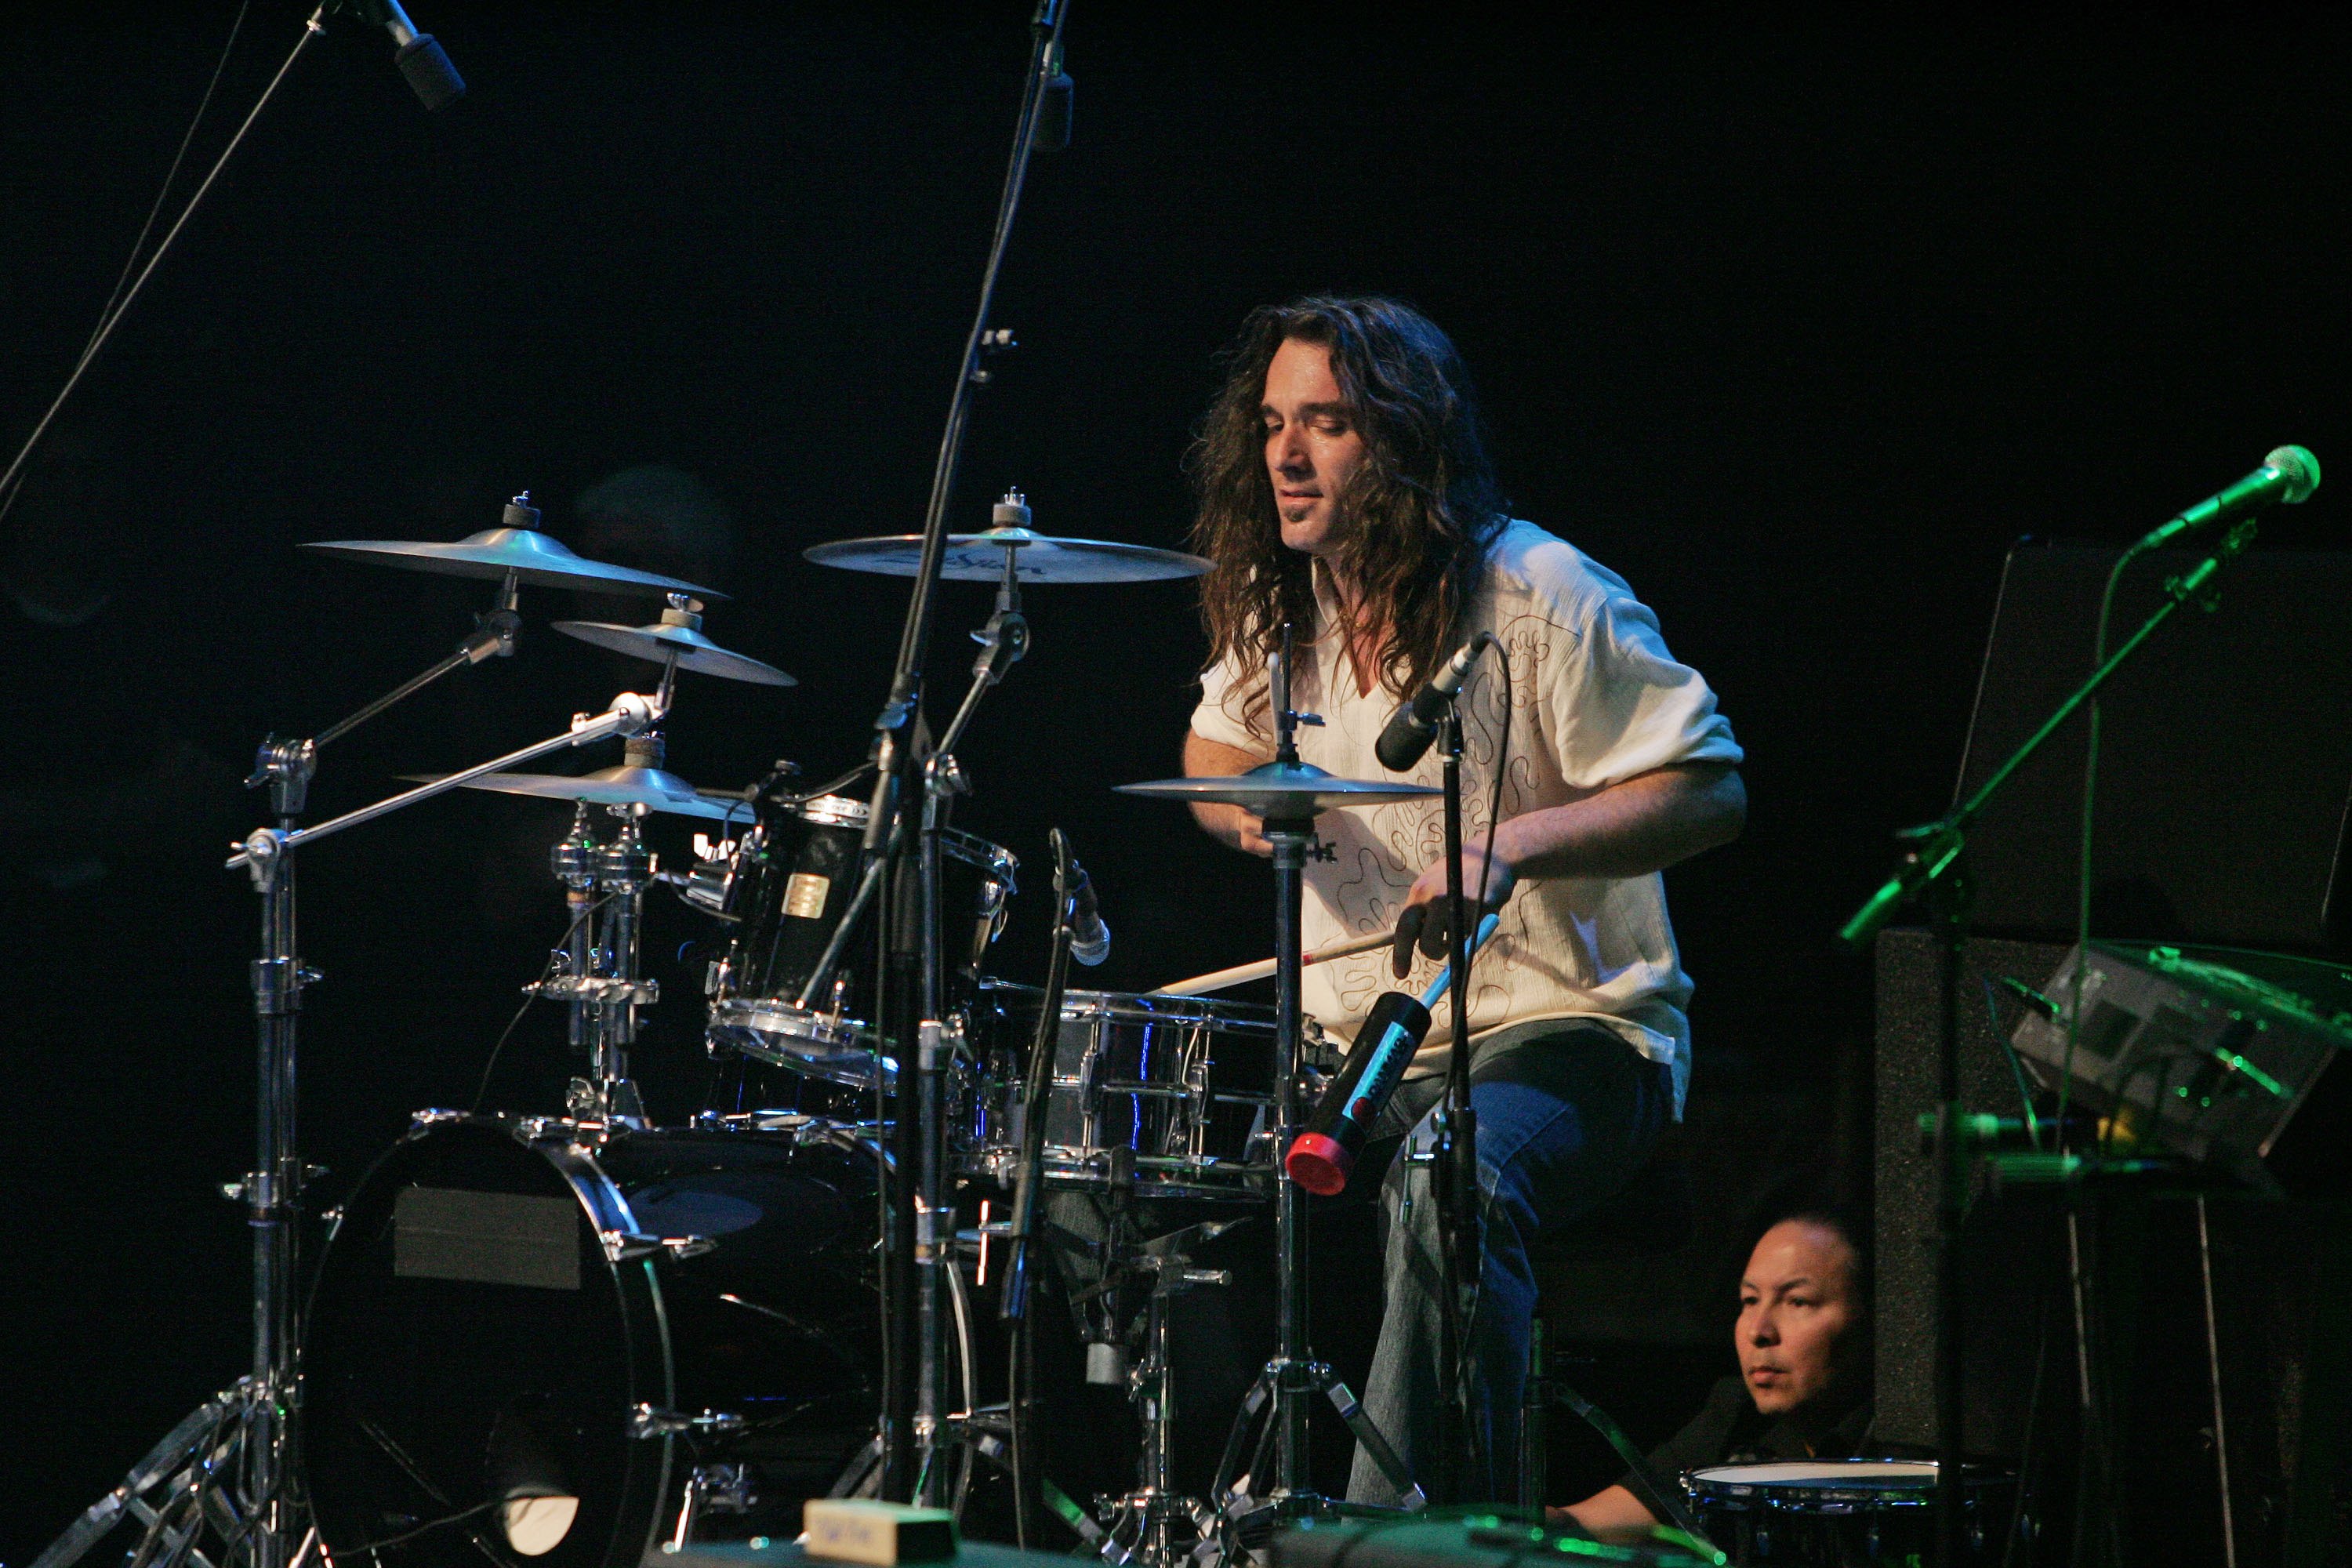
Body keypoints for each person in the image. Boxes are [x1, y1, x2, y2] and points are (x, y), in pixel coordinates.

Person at [1181, 296, 1747, 1503]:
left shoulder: (1542, 590)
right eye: (1273, 423)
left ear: (1402, 442)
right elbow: (1209, 758)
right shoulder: (1286, 608)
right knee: (1123, 1182)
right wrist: (1254, 806)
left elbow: (1711, 789)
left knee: (1452, 1172)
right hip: (1359, 1044)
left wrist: (1513, 844)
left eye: (1325, 423)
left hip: (1574, 1031)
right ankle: (1196, 1517)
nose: (1285, 455)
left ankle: (1404, 1538)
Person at [1561, 1211, 1875, 1532]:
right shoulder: (1739, 1415)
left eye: (1797, 1301)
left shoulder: (1906, 1433)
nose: (1759, 1331)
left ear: (1872, 1317)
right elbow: (1586, 1524)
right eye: (1750, 1300)